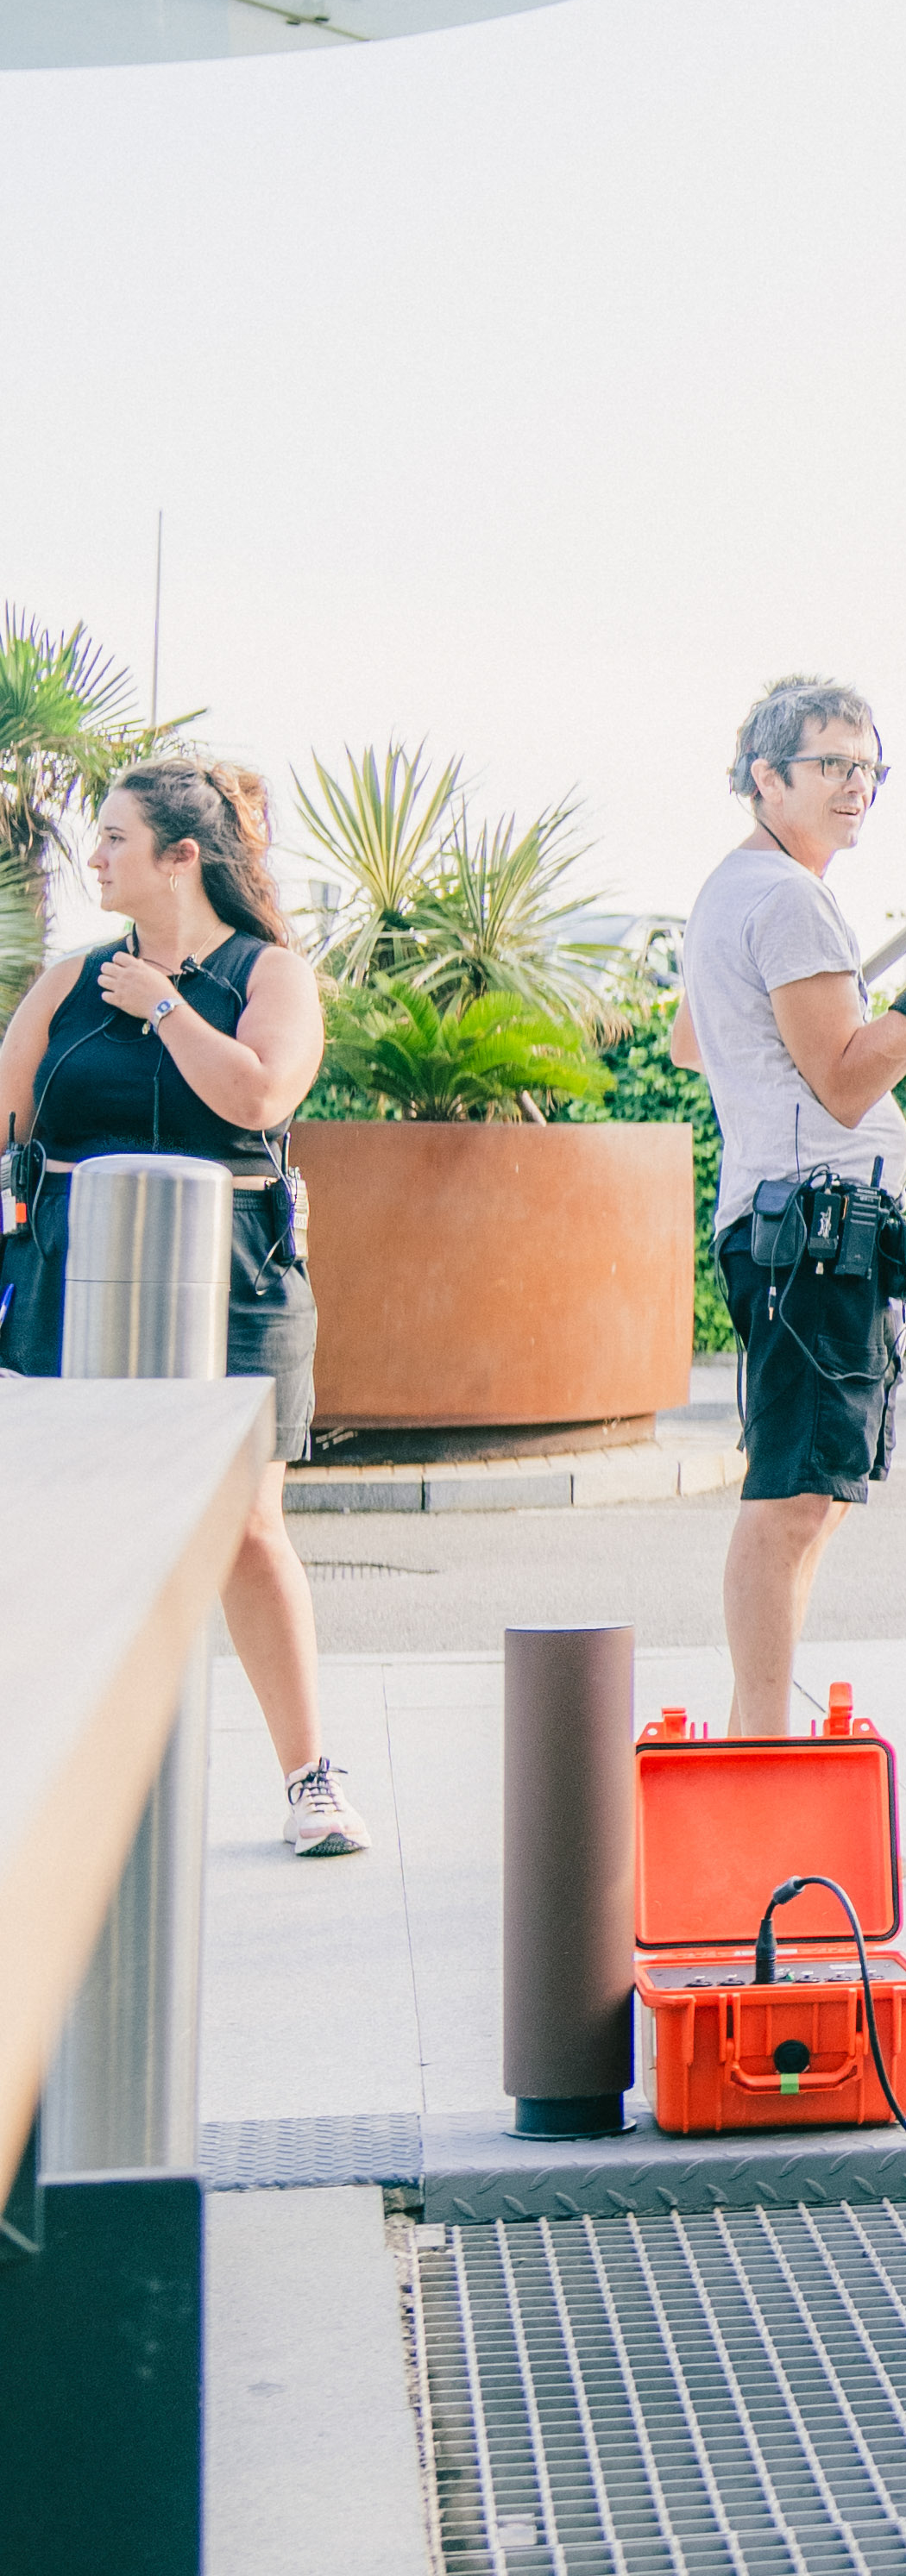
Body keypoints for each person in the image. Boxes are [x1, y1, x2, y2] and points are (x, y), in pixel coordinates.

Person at [0, 755, 368, 1855]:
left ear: (182, 858)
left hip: (234, 1278)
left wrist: (164, 1006)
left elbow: (259, 1094)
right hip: (75, 1276)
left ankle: (309, 1778)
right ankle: (80, 1782)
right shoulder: (68, 981)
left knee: (248, 1528)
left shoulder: (268, 974)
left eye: (115, 837)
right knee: (85, 1526)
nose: (95, 856)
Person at [674, 679, 906, 1733]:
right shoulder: (785, 898)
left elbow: (691, 1042)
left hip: (790, 1228)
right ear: (766, 778)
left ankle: (757, 1725)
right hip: (813, 1234)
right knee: (791, 1501)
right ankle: (761, 1745)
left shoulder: (736, 890)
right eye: (832, 765)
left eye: (869, 768)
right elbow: (847, 1081)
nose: (856, 786)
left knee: (809, 1498)